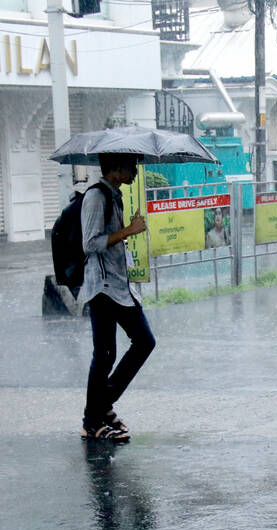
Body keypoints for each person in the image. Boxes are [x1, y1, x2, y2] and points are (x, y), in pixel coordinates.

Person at [80, 153, 155, 441]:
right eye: (131, 166)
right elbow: (90, 243)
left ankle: (101, 405)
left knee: (144, 341)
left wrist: (125, 232)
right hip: (102, 288)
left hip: (119, 286)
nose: (135, 172)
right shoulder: (96, 198)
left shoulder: (114, 195)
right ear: (115, 169)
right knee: (105, 354)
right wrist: (128, 231)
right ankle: (92, 420)